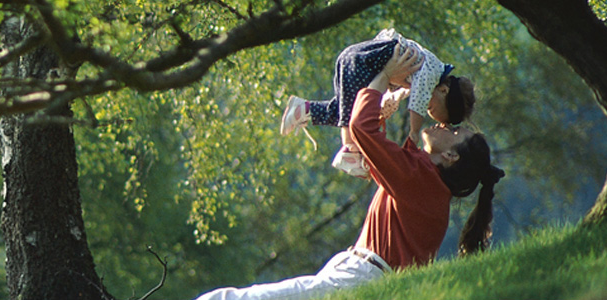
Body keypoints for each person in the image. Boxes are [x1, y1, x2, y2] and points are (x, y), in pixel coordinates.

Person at [194, 43, 504, 300]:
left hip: (361, 278)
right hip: (357, 273)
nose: (443, 126)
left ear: (451, 155)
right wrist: (385, 106)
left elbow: (360, 127)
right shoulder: (425, 182)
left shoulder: (422, 181)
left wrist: (385, 74)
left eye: (454, 133)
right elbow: (376, 143)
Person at [280, 29, 476, 178]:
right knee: (352, 114)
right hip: (363, 62)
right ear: (444, 90)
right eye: (431, 108)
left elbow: (402, 93)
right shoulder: (431, 74)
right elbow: (416, 104)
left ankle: (304, 110)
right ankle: (350, 150)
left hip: (358, 59)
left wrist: (388, 101)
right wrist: (414, 131)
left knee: (343, 110)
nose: (426, 108)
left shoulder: (425, 74)